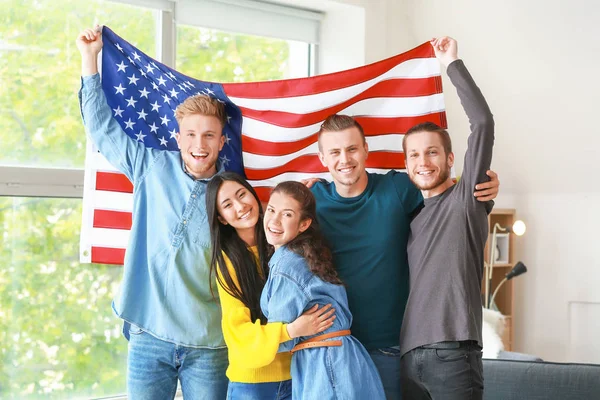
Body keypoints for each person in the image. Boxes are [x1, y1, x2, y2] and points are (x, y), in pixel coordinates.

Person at [310, 85, 500, 399]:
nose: (345, 159)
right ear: (322, 158)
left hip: (393, 349)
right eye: (334, 152)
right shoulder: (312, 200)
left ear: (366, 149)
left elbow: (446, 194)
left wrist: (483, 191)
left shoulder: (399, 188)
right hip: (337, 347)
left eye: (352, 149)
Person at [77, 26, 228, 399]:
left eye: (209, 135)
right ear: (178, 138)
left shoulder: (232, 193)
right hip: (148, 332)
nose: (199, 144)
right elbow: (101, 128)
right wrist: (89, 59)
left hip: (209, 342)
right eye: (191, 134)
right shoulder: (150, 166)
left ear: (222, 141)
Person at [399, 36, 492, 400]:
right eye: (415, 156)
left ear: (450, 159)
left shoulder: (466, 199)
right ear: (406, 166)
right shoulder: (411, 218)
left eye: (433, 152)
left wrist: (451, 64)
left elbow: (482, 123)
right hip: (408, 357)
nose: (424, 162)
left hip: (453, 355)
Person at [206, 172, 336, 399]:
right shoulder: (227, 262)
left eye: (242, 194)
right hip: (252, 384)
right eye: (228, 204)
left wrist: (313, 191)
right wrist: (292, 330)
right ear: (222, 218)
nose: (241, 206)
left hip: (299, 375)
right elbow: (238, 334)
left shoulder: (285, 242)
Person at [260, 181, 386, 400]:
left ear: (304, 224)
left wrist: (260, 336)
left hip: (324, 364)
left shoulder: (287, 264)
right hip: (343, 358)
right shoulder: (304, 256)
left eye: (287, 214)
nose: (275, 220)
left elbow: (281, 340)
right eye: (271, 209)